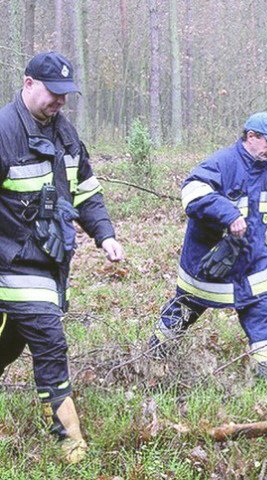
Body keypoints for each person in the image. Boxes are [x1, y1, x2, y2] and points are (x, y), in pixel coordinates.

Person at [0, 52, 125, 463]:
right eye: (54, 93)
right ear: (28, 83)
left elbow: (86, 191)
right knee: (50, 340)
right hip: (12, 262)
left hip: (49, 264)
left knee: (12, 340)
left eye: (65, 95)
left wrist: (104, 235)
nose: (60, 102)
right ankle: (69, 438)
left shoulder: (65, 134)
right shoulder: (4, 132)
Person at [148, 112, 267, 384]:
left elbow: (258, 218)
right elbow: (192, 192)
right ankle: (151, 357)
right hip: (208, 262)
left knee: (264, 312)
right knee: (185, 309)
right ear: (251, 137)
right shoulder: (222, 162)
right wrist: (228, 215)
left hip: (250, 262)